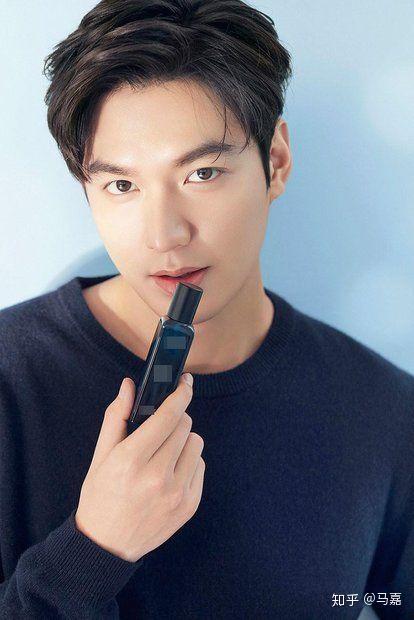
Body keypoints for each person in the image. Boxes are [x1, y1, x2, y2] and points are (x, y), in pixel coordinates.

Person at [0, 1, 413, 618]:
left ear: (275, 161)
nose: (165, 235)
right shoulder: (11, 378)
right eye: (121, 185)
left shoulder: (385, 410)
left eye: (203, 173)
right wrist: (94, 550)